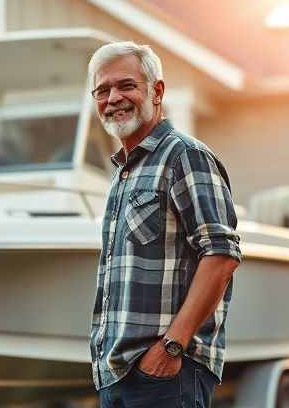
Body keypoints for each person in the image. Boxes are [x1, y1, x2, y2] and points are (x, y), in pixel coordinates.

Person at [87, 41, 242, 408]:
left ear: (157, 91)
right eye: (102, 90)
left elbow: (221, 255)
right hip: (119, 374)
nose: (113, 98)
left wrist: (172, 347)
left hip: (167, 374)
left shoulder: (184, 156)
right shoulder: (124, 174)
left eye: (127, 85)